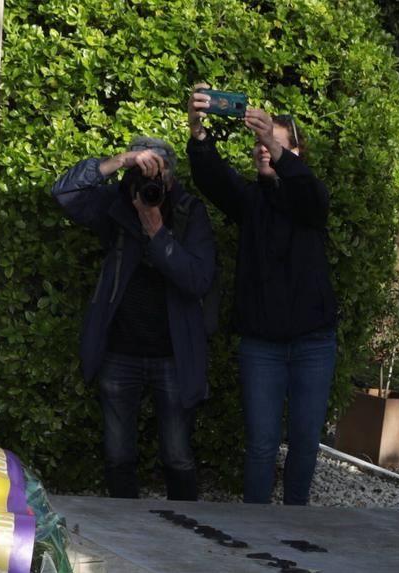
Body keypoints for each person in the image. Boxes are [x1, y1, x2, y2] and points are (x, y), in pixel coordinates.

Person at [186, 88, 337, 505]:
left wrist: (274, 141)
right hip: (262, 346)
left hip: (313, 343)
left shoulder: (308, 199)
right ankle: (254, 532)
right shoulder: (249, 201)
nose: (264, 149)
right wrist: (198, 131)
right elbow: (212, 177)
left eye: (274, 142)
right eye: (259, 143)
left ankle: (294, 524)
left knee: (306, 443)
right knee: (261, 445)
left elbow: (313, 196)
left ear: (295, 151)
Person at [53, 136, 216, 501]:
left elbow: (198, 280)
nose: (150, 183)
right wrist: (120, 161)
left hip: (173, 356)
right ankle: (124, 532)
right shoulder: (118, 203)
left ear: (171, 179)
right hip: (120, 353)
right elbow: (64, 191)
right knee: (117, 454)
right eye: (143, 172)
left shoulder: (189, 213)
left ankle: (188, 531)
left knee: (177, 455)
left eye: (158, 174)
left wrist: (157, 232)